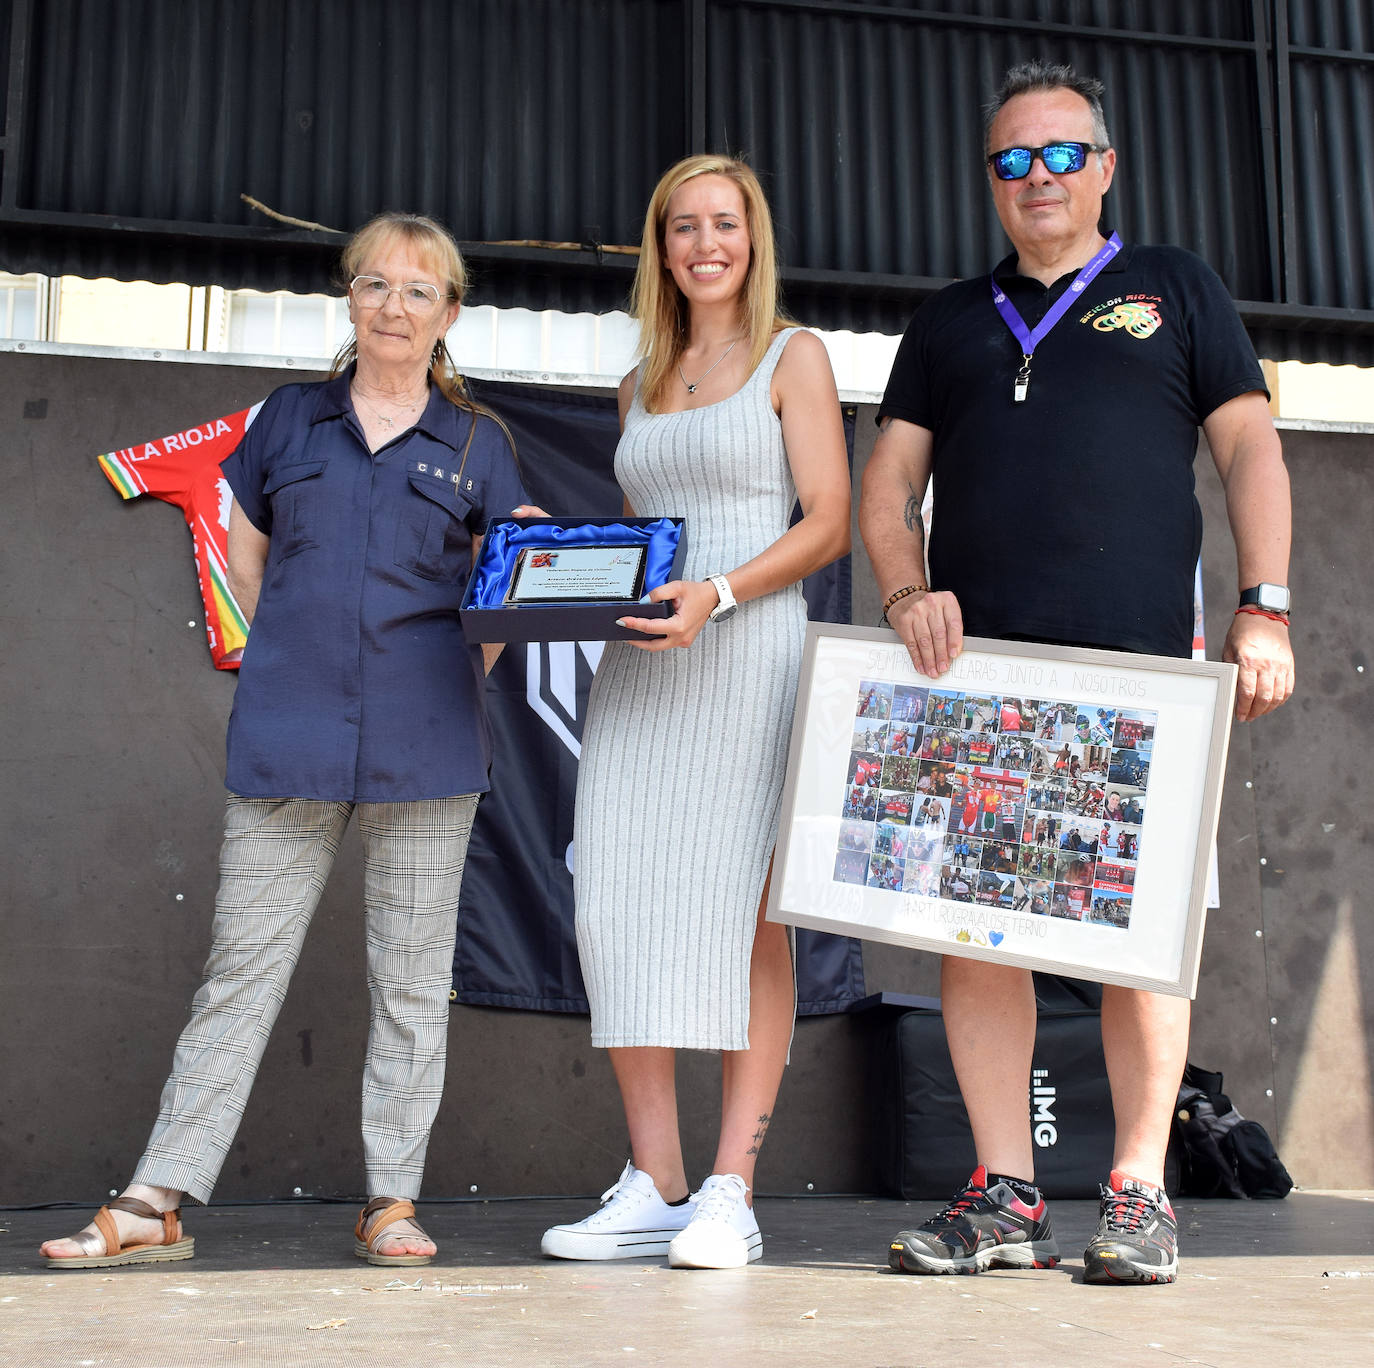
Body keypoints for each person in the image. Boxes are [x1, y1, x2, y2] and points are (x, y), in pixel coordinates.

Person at [861, 60, 1293, 1286]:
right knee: (978, 937)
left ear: (1104, 166)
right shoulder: (947, 320)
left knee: (1137, 941)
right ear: (990, 180)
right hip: (982, 687)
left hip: (1141, 680)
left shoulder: (1177, 288)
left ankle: (1141, 1194)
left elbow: (1251, 450)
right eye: (1013, 159)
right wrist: (905, 591)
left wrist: (1265, 608)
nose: (1038, 177)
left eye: (1062, 154)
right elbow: (888, 490)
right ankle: (1003, 1196)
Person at [40, 213, 532, 1270]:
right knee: (241, 973)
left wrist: (439, 684)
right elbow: (248, 562)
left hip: (430, 745)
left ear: (451, 312)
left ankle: (391, 1201)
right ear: (347, 300)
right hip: (290, 732)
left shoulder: (479, 443)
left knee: (409, 981)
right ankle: (154, 1198)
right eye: (373, 285)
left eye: (417, 290)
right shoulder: (288, 422)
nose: (393, 307)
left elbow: (503, 600)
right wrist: (305, 662)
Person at [538, 154, 849, 1271]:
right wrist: (551, 558)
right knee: (614, 906)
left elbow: (830, 523)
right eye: (682, 226)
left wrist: (720, 594)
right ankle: (656, 1183)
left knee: (747, 919)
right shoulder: (640, 380)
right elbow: (641, 547)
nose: (704, 243)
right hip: (645, 675)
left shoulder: (792, 356)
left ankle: (732, 1190)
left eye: (724, 223)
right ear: (659, 246)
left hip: (751, 655)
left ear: (752, 238)